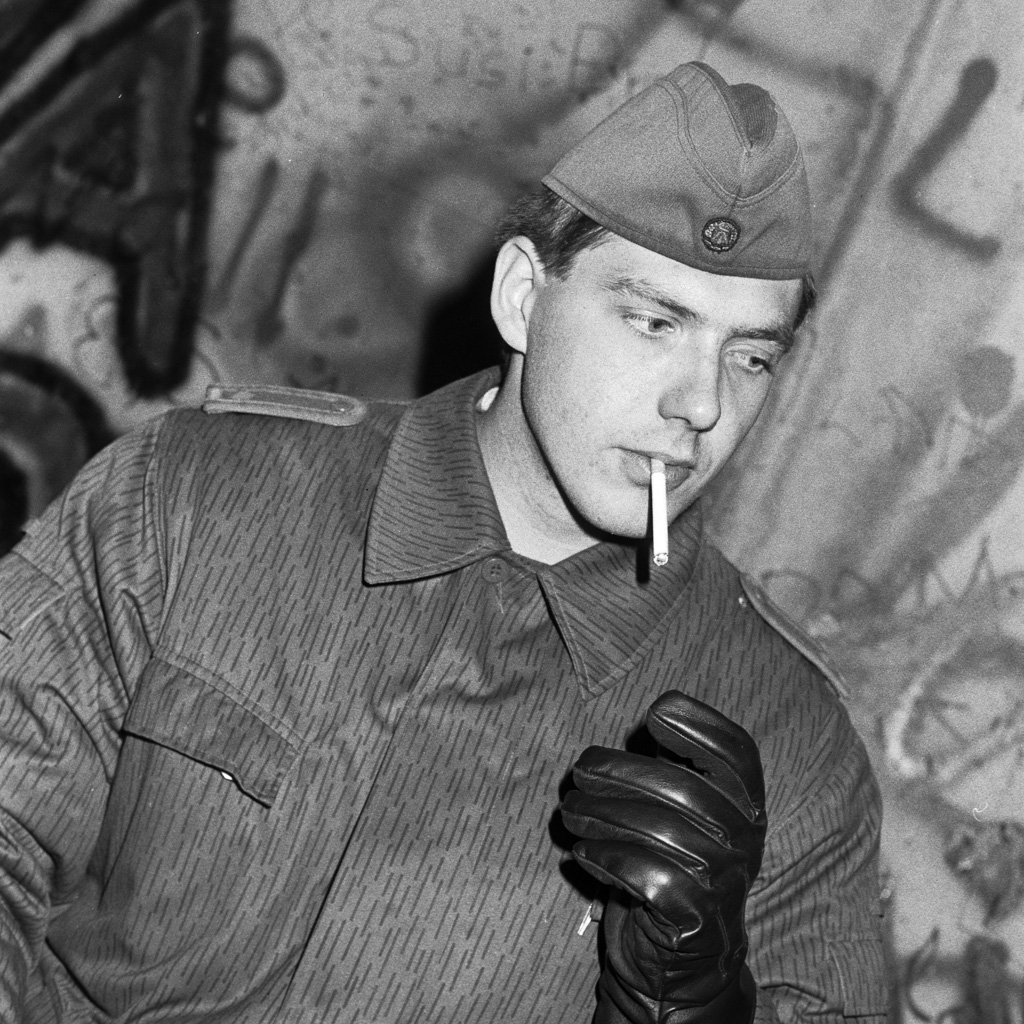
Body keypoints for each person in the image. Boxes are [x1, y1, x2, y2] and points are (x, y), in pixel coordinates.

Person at [0, 61, 887, 1023]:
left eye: (749, 355)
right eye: (654, 321)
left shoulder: (789, 738)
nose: (702, 404)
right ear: (521, 299)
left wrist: (706, 1006)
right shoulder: (202, 498)